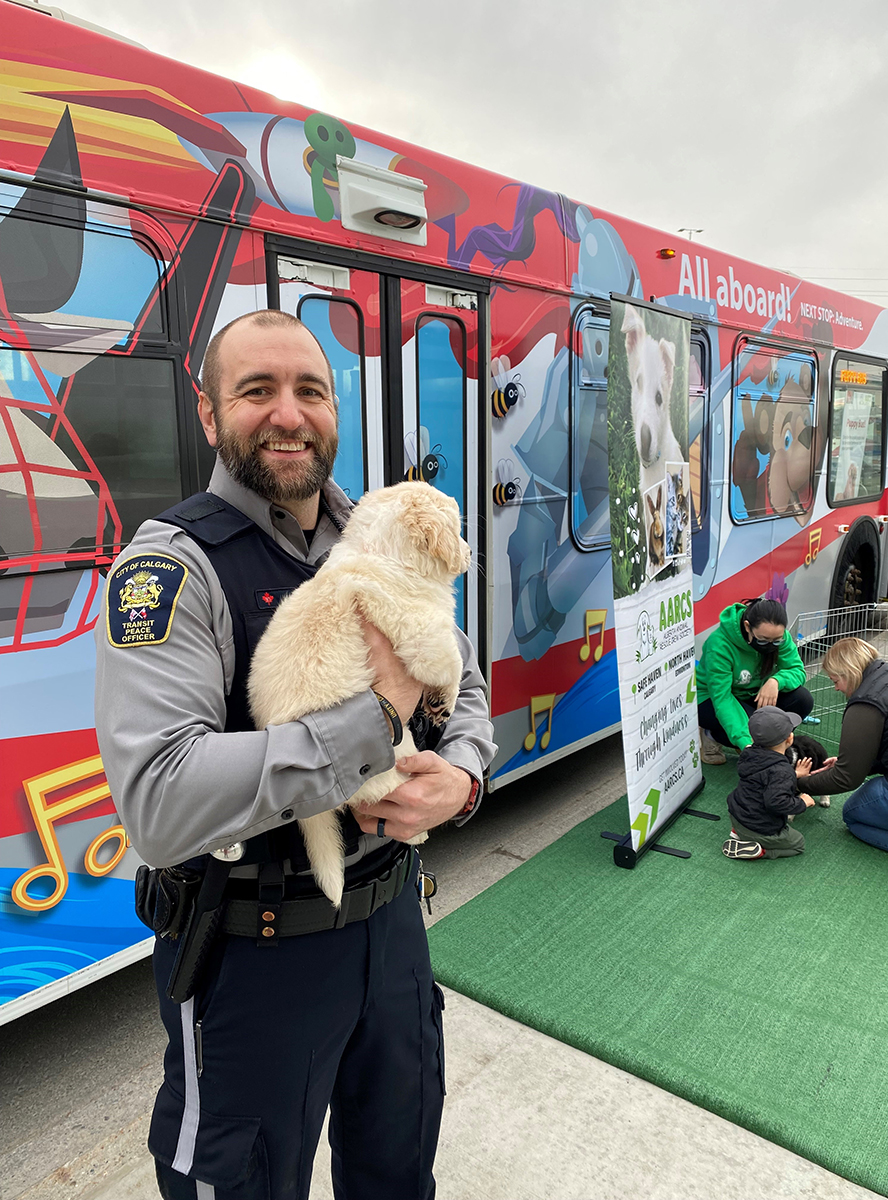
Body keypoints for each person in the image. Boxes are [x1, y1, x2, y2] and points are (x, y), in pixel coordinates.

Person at [94, 309, 497, 1200]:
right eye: (256, 391)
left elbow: (463, 681)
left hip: (393, 934)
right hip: (253, 961)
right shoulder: (173, 568)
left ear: (334, 412)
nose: (288, 413)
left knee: (398, 1173)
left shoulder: (375, 531)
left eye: (309, 390)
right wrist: (372, 720)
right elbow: (159, 803)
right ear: (209, 415)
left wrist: (463, 775)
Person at [798, 638, 888, 856]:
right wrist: (857, 761)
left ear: (849, 672)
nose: (835, 689)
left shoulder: (865, 703)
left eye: (835, 681)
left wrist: (796, 782)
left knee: (853, 813)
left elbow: (846, 778)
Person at [695, 597, 814, 764]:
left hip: (754, 693)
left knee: (803, 700)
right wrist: (747, 743)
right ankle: (712, 734)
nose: (771, 645)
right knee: (759, 729)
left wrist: (776, 681)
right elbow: (723, 699)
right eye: (763, 639)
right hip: (712, 699)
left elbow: (798, 671)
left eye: (777, 640)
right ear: (747, 626)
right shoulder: (719, 644)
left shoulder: (780, 636)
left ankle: (767, 747)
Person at [722, 707, 815, 860]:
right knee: (798, 843)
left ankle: (739, 832)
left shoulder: (749, 753)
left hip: (737, 814)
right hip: (758, 827)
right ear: (790, 739)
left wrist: (795, 774)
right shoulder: (781, 770)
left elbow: (764, 777)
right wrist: (802, 803)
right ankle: (762, 851)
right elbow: (777, 803)